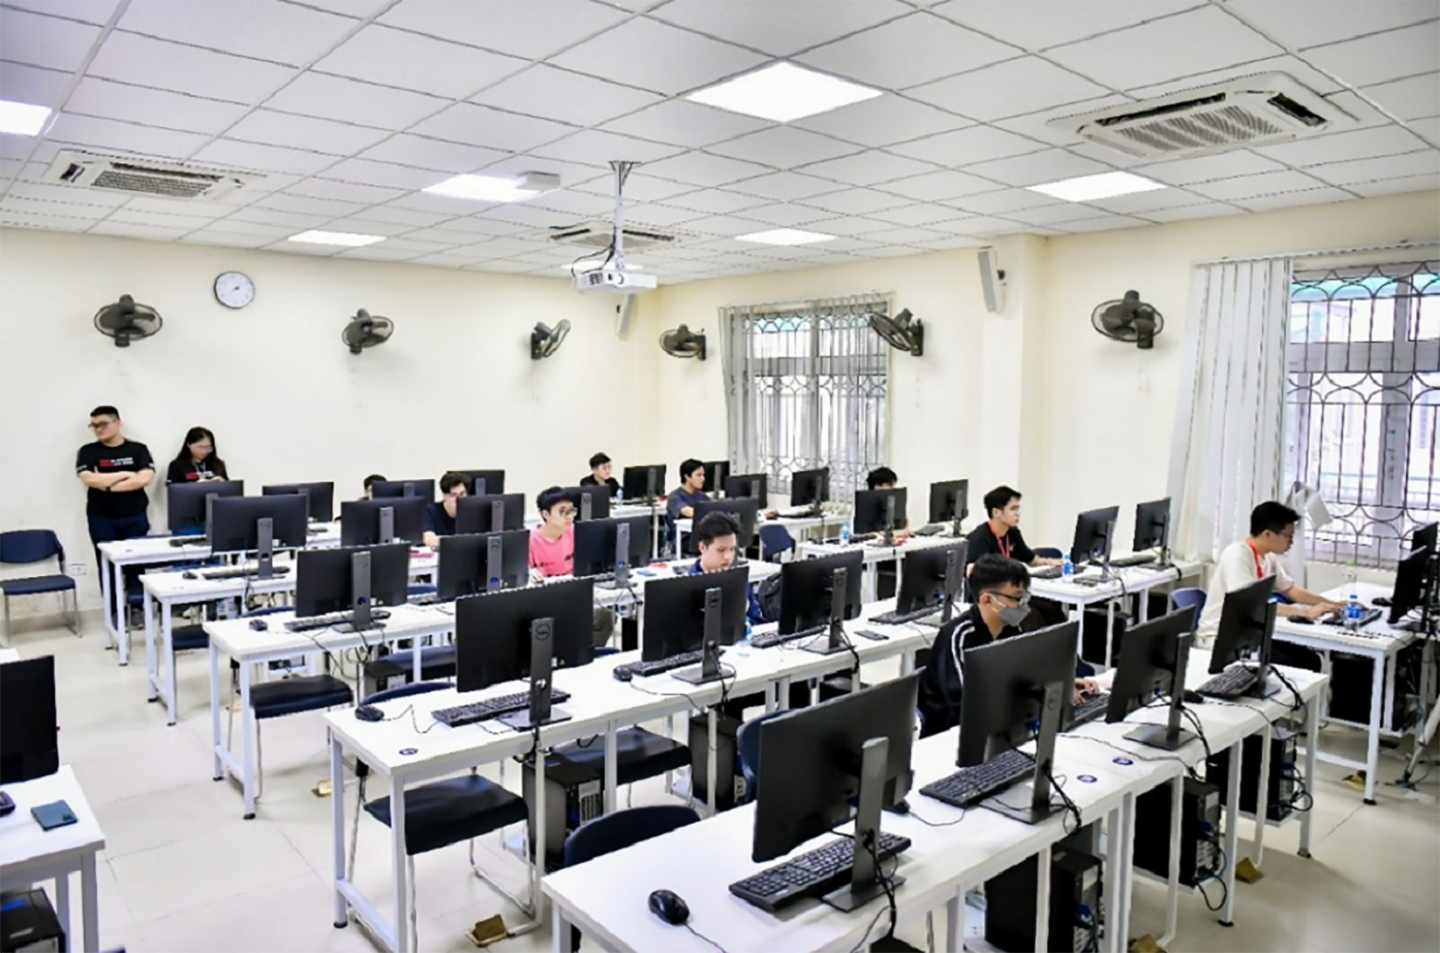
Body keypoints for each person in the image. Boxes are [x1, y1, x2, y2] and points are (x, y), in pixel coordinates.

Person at [917, 554, 1098, 736]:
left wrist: (1058, 686)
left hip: (996, 727)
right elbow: (965, 705)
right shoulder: (959, 636)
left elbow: (1023, 676)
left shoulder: (1009, 628)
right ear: (987, 599)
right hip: (948, 732)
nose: (1023, 606)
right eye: (1016, 599)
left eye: (1025, 597)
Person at [1197, 501, 1344, 646]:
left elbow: (1290, 590)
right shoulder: (1237, 555)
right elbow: (1249, 605)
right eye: (1288, 536)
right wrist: (1305, 612)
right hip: (1218, 638)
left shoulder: (1268, 556)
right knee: (1299, 659)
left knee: (1305, 658)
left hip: (1248, 633)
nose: (1291, 542)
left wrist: (1332, 604)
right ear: (1268, 534)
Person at [76, 405, 155, 579]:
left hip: (135, 515)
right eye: (94, 425)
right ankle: (111, 606)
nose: (98, 429)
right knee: (107, 567)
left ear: (118, 423)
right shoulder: (88, 451)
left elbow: (145, 478)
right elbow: (89, 479)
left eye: (103, 424)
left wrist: (107, 486)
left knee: (136, 565)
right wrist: (125, 474)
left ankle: (138, 605)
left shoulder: (138, 449)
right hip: (102, 518)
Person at [689, 511, 765, 624]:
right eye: (721, 550)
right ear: (703, 547)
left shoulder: (739, 579)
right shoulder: (689, 585)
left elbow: (756, 618)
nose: (728, 557)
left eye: (732, 549)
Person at [965, 485, 1059, 570]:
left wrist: (1053, 562)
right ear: (996, 512)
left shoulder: (1013, 532)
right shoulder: (980, 538)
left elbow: (1031, 559)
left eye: (1018, 508)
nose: (1018, 514)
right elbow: (977, 573)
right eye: (1013, 509)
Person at [529, 486, 576, 578]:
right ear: (546, 514)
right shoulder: (530, 540)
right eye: (562, 511)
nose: (569, 516)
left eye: (571, 511)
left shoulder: (575, 532)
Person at [665, 458, 709, 547]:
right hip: (682, 540)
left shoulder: (702, 496)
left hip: (701, 535)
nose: (703, 479)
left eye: (703, 475)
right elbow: (689, 512)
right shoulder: (675, 497)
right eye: (698, 475)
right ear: (687, 477)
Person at [865, 466, 911, 543]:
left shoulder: (893, 501)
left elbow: (905, 524)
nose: (892, 488)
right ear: (878, 486)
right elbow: (864, 534)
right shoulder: (863, 505)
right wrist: (894, 533)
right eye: (889, 484)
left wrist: (904, 531)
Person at [422, 471, 467, 548]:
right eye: (453, 495)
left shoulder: (473, 512)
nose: (459, 499)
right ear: (444, 496)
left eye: (462, 494)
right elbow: (428, 539)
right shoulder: (431, 511)